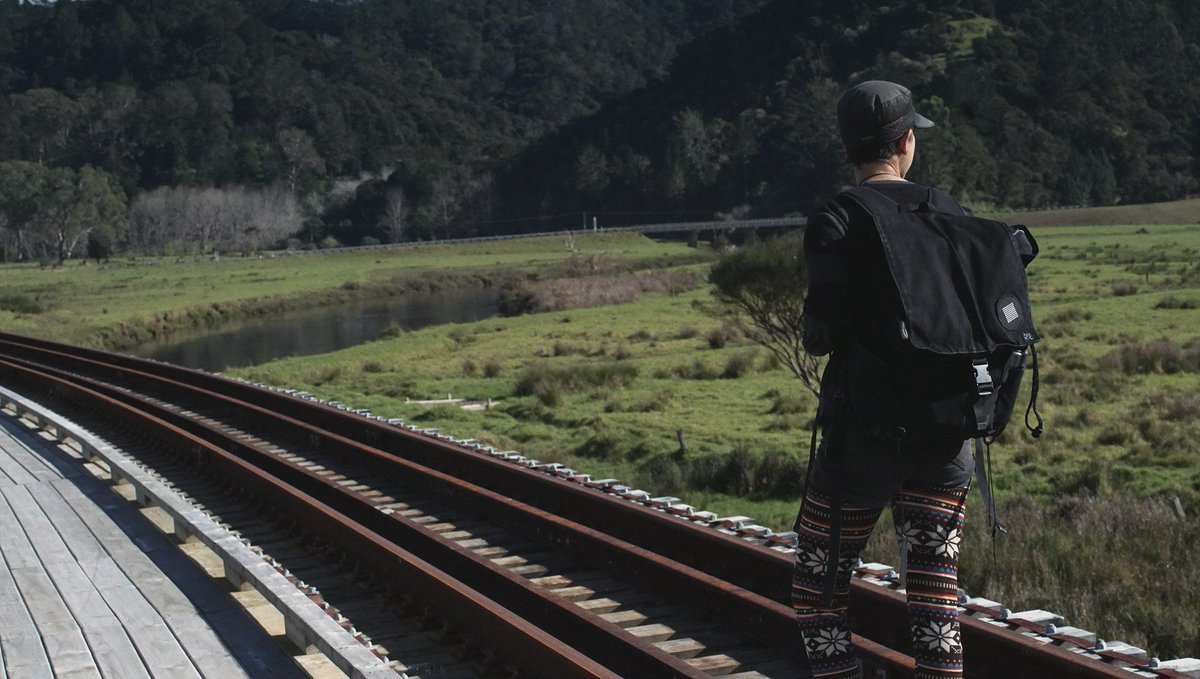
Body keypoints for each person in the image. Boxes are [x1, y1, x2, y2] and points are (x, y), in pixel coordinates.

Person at [792, 81, 977, 678]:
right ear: (906, 142)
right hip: (947, 433)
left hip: (863, 440)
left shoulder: (836, 218)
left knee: (819, 588)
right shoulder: (951, 212)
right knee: (935, 599)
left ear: (848, 147)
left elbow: (820, 333)